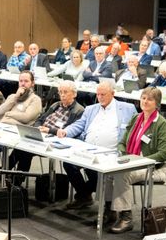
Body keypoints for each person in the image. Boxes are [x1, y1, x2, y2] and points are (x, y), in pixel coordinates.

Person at [57, 81, 136, 211]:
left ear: (112, 93)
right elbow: (79, 125)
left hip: (112, 153)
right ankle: (85, 195)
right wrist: (66, 131)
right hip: (88, 149)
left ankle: (86, 197)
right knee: (69, 164)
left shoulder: (127, 108)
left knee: (99, 171)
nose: (100, 97)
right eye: (98, 94)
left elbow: (133, 131)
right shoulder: (91, 109)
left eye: (103, 94)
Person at [108, 87, 166, 233]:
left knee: (121, 174)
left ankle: (126, 217)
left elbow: (164, 153)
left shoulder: (161, 123)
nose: (145, 101)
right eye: (143, 98)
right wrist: (124, 154)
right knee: (106, 172)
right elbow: (122, 142)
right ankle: (109, 210)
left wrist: (138, 160)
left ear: (157, 104)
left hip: (154, 168)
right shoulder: (136, 118)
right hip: (132, 162)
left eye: (150, 99)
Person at [6, 81, 85, 175]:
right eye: (60, 92)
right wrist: (37, 128)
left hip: (56, 141)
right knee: (21, 146)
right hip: (42, 135)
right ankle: (6, 173)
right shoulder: (55, 105)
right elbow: (40, 119)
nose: (62, 95)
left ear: (74, 94)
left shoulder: (79, 110)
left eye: (65, 92)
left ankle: (16, 180)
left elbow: (69, 131)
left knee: (27, 150)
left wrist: (49, 130)